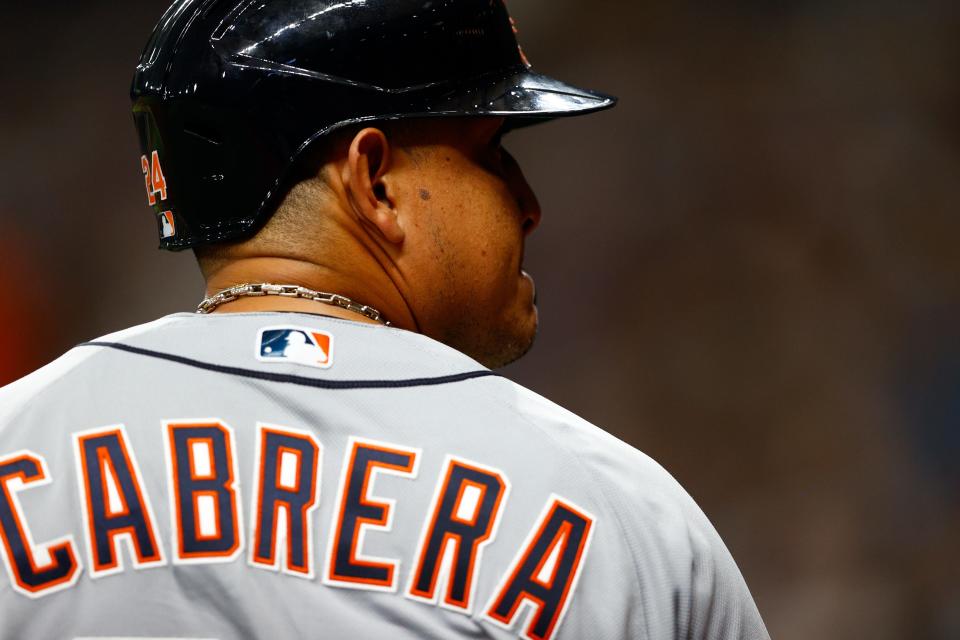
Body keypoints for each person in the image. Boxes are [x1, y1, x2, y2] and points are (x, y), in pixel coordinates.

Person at [0, 1, 769, 638]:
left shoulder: (17, 436)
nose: (529, 205)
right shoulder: (614, 508)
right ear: (373, 179)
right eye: (493, 152)